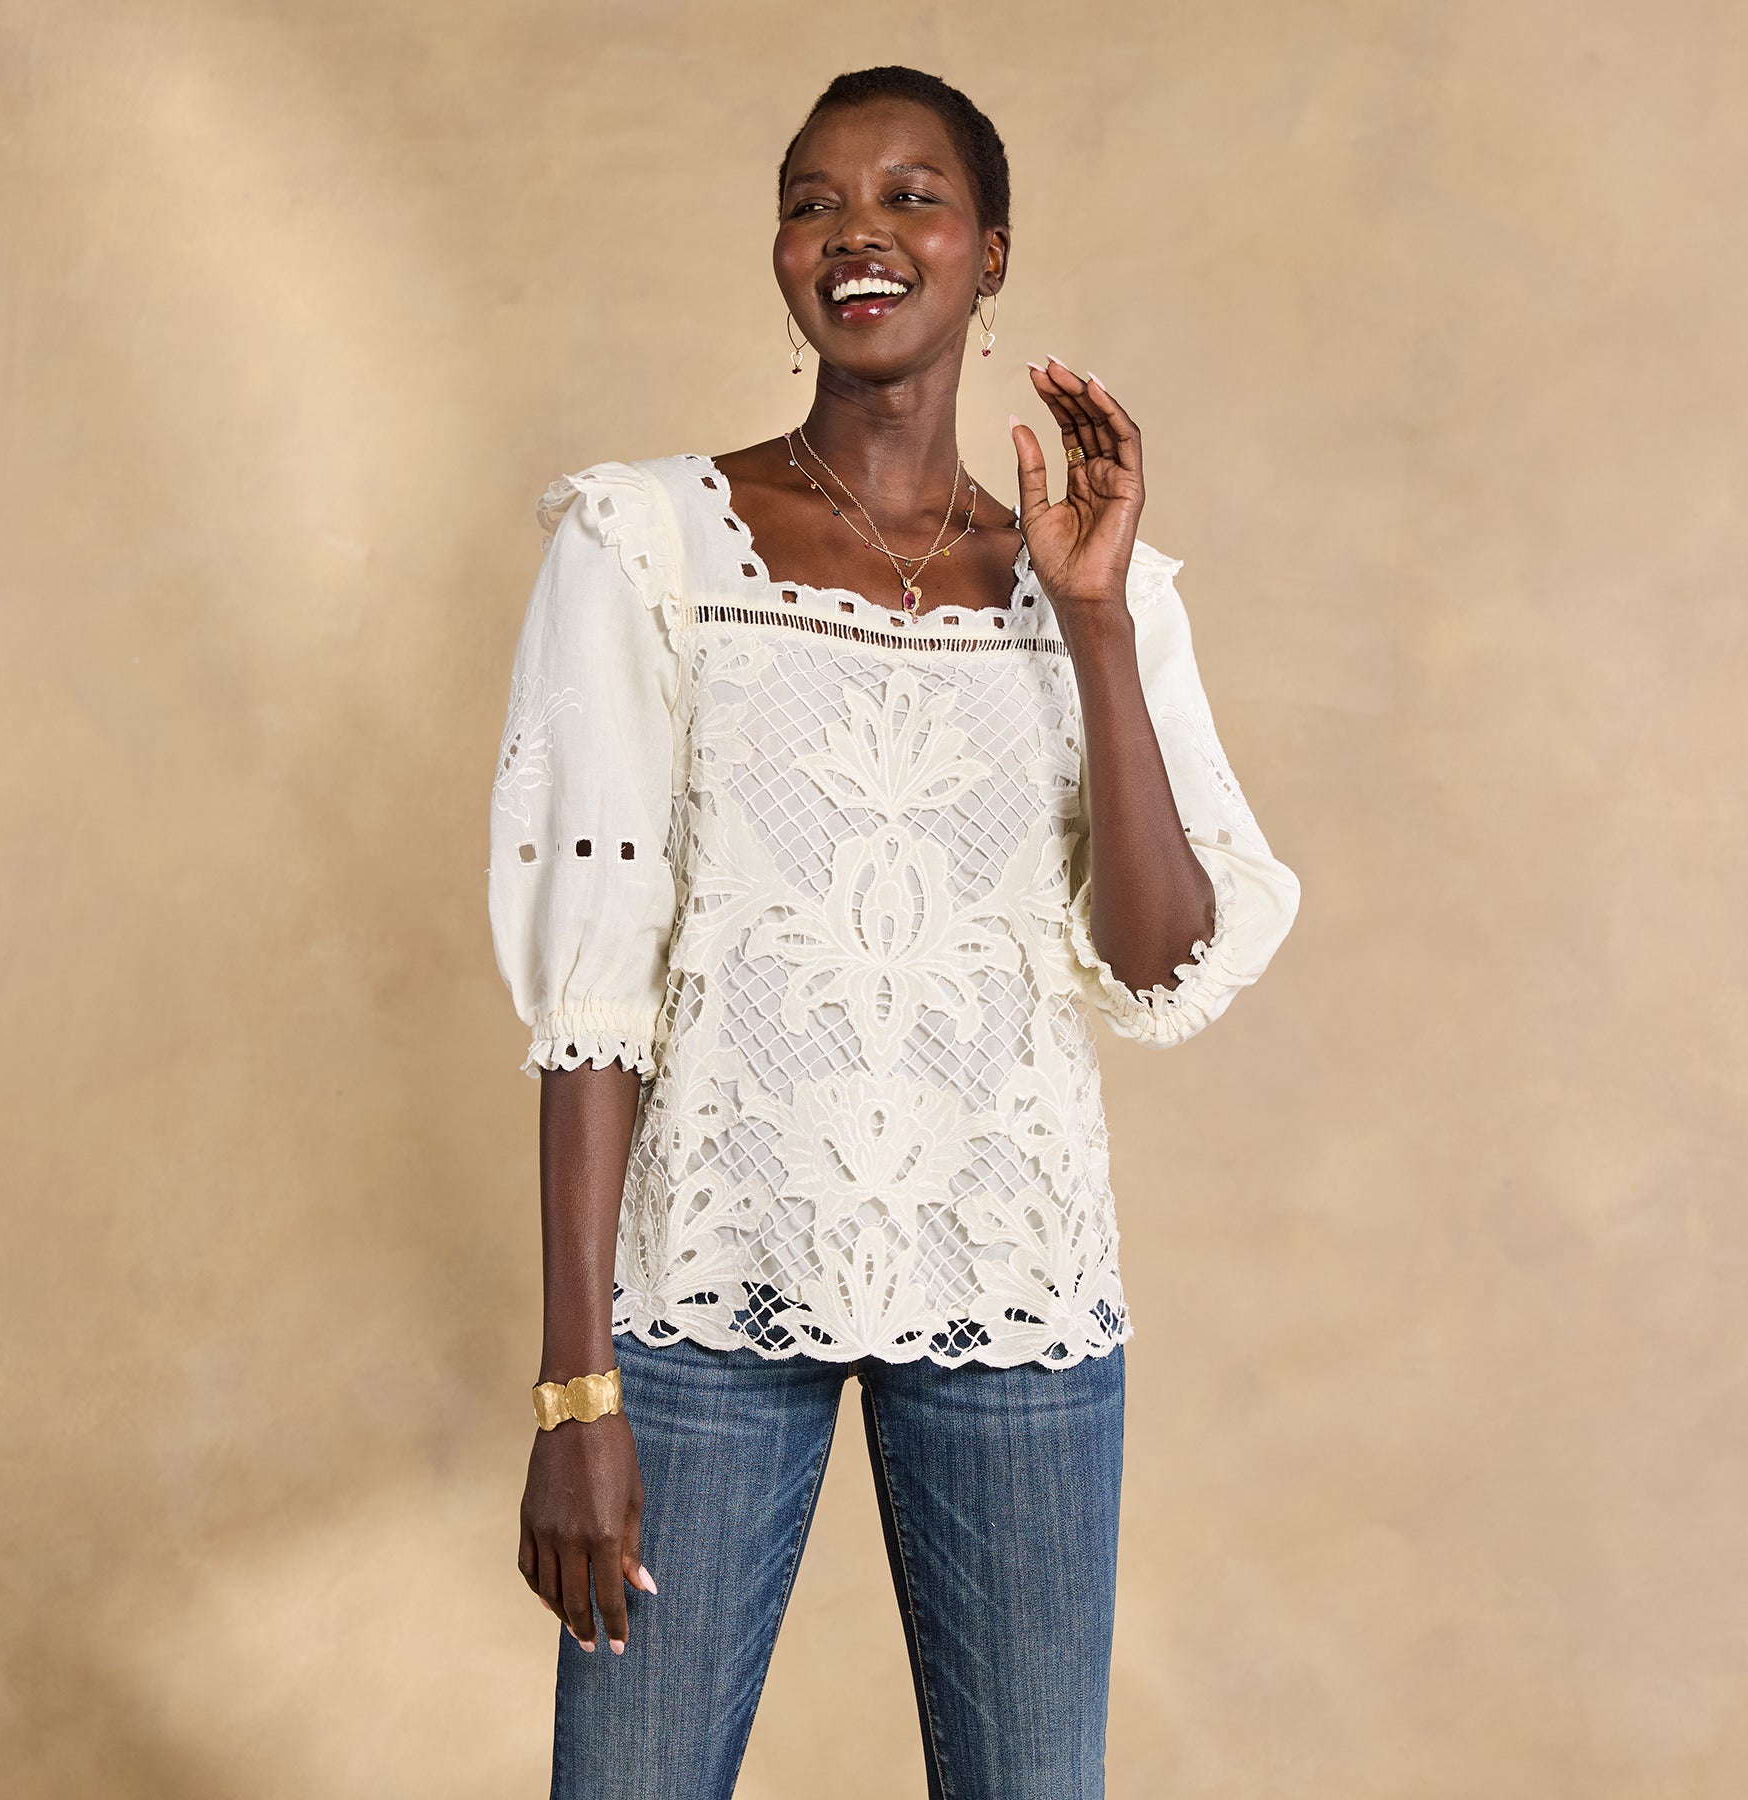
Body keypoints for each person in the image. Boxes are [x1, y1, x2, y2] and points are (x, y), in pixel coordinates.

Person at [487, 64, 1301, 1800]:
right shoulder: (649, 544)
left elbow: (1159, 957)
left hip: (1016, 1291)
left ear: (990, 252)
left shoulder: (1099, 587)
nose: (856, 232)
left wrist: (1091, 622)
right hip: (706, 1294)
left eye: (910, 196)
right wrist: (577, 1390)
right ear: (783, 253)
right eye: (813, 202)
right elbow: (594, 996)